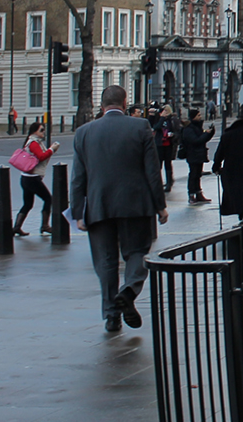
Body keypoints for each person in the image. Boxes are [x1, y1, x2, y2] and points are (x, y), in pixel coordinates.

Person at [70, 85, 167, 333]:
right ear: (125, 103)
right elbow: (152, 172)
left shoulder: (83, 133)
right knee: (136, 252)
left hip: (99, 205)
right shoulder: (140, 127)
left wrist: (78, 212)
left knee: (105, 261)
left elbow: (78, 178)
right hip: (136, 203)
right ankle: (129, 289)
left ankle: (111, 315)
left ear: (101, 106)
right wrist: (160, 207)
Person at [13, 121, 59, 236]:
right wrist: (52, 149)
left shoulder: (33, 142)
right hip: (32, 178)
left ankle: (17, 227)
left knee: (28, 204)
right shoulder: (33, 143)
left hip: (26, 177)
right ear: (35, 131)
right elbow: (42, 157)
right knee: (48, 199)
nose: (43, 132)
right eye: (41, 130)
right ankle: (45, 225)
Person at [180, 108, 215, 204]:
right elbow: (196, 141)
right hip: (192, 154)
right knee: (193, 174)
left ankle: (198, 193)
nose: (200, 117)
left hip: (199, 154)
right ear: (193, 117)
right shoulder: (188, 129)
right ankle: (191, 194)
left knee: (198, 174)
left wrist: (210, 133)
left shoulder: (197, 127)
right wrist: (205, 134)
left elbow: (203, 139)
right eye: (198, 115)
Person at [152, 104, 181, 192]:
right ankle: (158, 183)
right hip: (159, 144)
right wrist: (161, 118)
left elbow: (178, 130)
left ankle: (169, 183)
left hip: (169, 144)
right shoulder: (158, 119)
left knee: (168, 164)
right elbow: (156, 127)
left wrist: (173, 135)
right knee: (158, 164)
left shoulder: (172, 120)